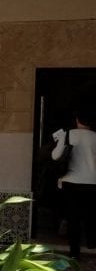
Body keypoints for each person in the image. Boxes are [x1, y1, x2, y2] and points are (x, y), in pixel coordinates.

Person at [51, 107, 96, 260]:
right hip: (93, 182)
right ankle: (91, 242)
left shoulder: (68, 134)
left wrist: (59, 143)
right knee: (91, 214)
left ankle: (74, 253)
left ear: (77, 120)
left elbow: (55, 157)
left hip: (72, 182)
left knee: (73, 218)